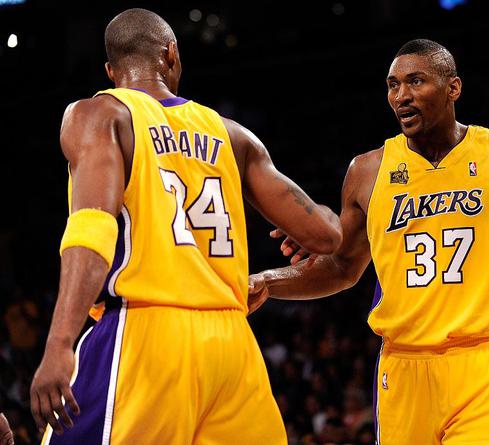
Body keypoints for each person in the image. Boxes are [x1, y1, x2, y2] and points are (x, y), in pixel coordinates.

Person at [249, 39, 489, 444]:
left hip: (483, 362)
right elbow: (342, 268)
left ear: (453, 88)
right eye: (393, 85)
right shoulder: (366, 171)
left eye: (416, 81)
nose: (401, 95)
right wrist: (268, 281)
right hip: (401, 367)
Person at [30, 8, 342, 445]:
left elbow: (92, 230)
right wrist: (301, 230)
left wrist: (59, 343)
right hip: (232, 345)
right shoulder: (233, 135)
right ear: (171, 55)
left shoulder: (101, 115)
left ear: (110, 72)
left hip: (147, 333)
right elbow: (327, 235)